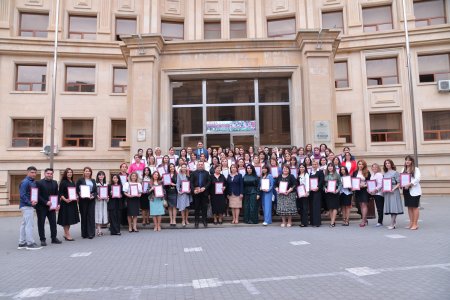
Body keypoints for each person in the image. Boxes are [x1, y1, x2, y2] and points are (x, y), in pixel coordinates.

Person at [35, 168, 61, 246]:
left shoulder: (55, 182)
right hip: (41, 207)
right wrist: (46, 202)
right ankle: (42, 239)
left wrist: (58, 204)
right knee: (41, 223)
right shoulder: (39, 182)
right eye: (48, 173)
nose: (49, 175)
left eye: (51, 173)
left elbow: (57, 194)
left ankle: (54, 238)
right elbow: (37, 195)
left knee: (53, 223)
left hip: (52, 207)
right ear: (44, 174)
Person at [18, 166, 42, 250]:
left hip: (29, 205)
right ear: (27, 172)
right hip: (27, 206)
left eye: (35, 172)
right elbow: (23, 195)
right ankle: (30, 243)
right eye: (32, 172)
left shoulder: (32, 182)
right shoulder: (25, 182)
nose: (34, 174)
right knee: (29, 225)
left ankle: (22, 243)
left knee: (24, 224)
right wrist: (30, 203)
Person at [57, 168, 80, 241]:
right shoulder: (63, 182)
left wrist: (76, 196)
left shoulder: (72, 181)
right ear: (65, 174)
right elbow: (60, 193)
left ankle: (65, 233)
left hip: (72, 203)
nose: (70, 173)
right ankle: (67, 234)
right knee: (66, 219)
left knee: (69, 219)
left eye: (71, 172)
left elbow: (74, 191)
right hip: (65, 203)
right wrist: (65, 199)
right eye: (68, 172)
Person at [76, 167, 97, 239]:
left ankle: (91, 233)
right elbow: (77, 189)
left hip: (91, 200)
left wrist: (93, 195)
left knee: (91, 216)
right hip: (83, 200)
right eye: (86, 171)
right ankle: (84, 233)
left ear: (91, 172)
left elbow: (95, 191)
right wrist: (80, 194)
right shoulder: (80, 180)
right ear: (84, 172)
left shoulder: (93, 180)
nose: (87, 172)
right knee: (84, 216)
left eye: (89, 171)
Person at [402, 155, 422, 230]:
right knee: (409, 207)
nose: (407, 161)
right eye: (406, 160)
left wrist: (409, 184)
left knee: (415, 207)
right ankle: (411, 223)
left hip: (414, 191)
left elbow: (417, 179)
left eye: (409, 160)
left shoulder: (416, 169)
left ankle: (415, 224)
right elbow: (401, 179)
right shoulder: (403, 169)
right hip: (406, 191)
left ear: (412, 161)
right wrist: (402, 185)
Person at [382, 159, 403, 229]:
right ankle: (394, 222)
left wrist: (393, 189)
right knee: (391, 207)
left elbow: (399, 183)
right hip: (387, 192)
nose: (387, 164)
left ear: (391, 164)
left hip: (394, 191)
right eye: (386, 163)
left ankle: (392, 224)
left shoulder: (395, 173)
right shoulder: (384, 174)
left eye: (388, 163)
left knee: (394, 207)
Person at [190, 161, 211, 228]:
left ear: (203, 165)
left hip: (204, 193)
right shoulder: (193, 173)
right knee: (196, 208)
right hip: (196, 193)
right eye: (199, 164)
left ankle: (204, 221)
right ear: (197, 165)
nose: (200, 166)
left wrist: (204, 188)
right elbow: (191, 183)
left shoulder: (207, 173)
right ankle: (196, 221)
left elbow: (209, 182)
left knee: (204, 208)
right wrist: (194, 190)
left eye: (202, 165)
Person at [352, 160, 371, 227]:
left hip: (364, 190)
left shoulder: (367, 172)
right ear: (357, 165)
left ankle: (363, 220)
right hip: (357, 190)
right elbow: (353, 180)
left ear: (364, 165)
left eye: (362, 164)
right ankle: (365, 219)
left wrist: (364, 185)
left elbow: (370, 182)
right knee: (360, 205)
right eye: (359, 164)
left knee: (364, 204)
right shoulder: (355, 172)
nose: (360, 165)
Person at [324, 163, 342, 227]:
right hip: (328, 192)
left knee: (335, 207)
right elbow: (323, 184)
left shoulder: (337, 175)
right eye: (329, 166)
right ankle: (333, 221)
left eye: (331, 166)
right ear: (327, 168)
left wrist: (337, 190)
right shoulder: (325, 174)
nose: (330, 167)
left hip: (335, 191)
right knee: (330, 207)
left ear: (333, 167)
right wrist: (325, 189)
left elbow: (340, 183)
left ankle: (332, 222)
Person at [309, 160, 324, 227]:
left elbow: (321, 180)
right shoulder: (310, 172)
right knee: (312, 206)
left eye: (315, 164)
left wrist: (318, 187)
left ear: (317, 165)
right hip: (311, 191)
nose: (314, 165)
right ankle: (312, 221)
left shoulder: (320, 172)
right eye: (313, 164)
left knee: (317, 207)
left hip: (317, 191)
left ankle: (317, 222)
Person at [94, 171, 108, 237]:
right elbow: (94, 192)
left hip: (104, 202)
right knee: (98, 215)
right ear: (97, 176)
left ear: (104, 176)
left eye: (102, 175)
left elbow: (107, 193)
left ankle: (100, 230)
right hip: (98, 202)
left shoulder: (106, 184)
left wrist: (107, 197)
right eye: (99, 175)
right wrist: (97, 196)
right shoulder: (96, 184)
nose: (101, 176)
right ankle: (99, 230)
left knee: (102, 215)